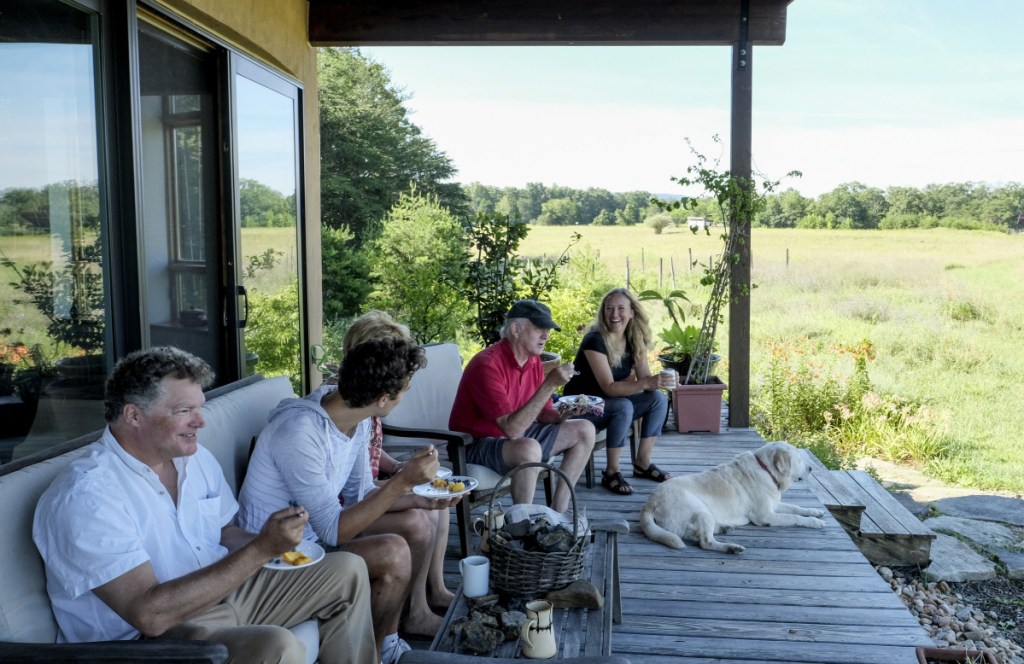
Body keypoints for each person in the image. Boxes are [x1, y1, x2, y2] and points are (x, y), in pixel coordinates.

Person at [32, 346, 376, 664]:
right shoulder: (86, 497)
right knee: (276, 646)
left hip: (221, 595)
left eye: (200, 407)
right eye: (185, 411)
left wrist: (282, 548)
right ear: (133, 416)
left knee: (346, 569)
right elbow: (149, 615)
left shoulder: (193, 460)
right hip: (146, 642)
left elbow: (224, 532)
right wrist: (259, 549)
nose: (201, 421)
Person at [238, 337, 458, 664]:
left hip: (312, 537)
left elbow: (362, 495)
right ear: (383, 399)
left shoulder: (359, 419)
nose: (404, 396)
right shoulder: (300, 432)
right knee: (393, 552)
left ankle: (388, 639)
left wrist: (418, 498)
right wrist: (401, 482)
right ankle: (378, 654)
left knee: (415, 522)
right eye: (405, 390)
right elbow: (334, 531)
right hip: (277, 555)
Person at [341, 311, 454, 617]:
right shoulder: (352, 403)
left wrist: (395, 467)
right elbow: (353, 491)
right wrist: (404, 485)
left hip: (365, 489)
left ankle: (436, 589)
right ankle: (414, 609)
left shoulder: (363, 406)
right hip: (345, 509)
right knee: (422, 515)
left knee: (437, 503)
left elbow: (370, 454)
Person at [448, 299, 596, 511]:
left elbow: (543, 412)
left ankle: (557, 515)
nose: (546, 335)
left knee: (585, 429)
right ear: (516, 329)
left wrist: (563, 414)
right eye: (539, 329)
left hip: (513, 438)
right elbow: (513, 429)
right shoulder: (487, 364)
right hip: (473, 444)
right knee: (529, 448)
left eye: (547, 330)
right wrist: (551, 384)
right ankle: (522, 522)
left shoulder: (533, 360)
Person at [564, 287, 674, 495]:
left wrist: (660, 382)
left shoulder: (634, 338)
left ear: (632, 312)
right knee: (623, 406)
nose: (615, 314)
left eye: (621, 308)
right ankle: (611, 471)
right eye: (609, 309)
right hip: (581, 406)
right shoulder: (594, 340)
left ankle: (642, 463)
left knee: (657, 399)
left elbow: (645, 379)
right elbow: (610, 388)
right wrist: (647, 383)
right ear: (603, 313)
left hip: (607, 404)